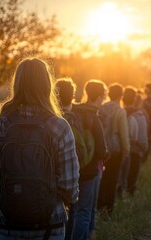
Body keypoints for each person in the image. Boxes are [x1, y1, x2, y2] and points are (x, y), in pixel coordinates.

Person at [0, 57, 79, 240]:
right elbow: (70, 187)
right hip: (50, 226)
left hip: (8, 225)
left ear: (16, 84)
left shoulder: (0, 125)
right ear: (47, 85)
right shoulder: (60, 126)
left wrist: (13, 199)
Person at [55, 79, 107, 240]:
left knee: (69, 211)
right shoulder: (92, 116)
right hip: (88, 172)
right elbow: (101, 150)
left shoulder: (56, 119)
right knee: (84, 211)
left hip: (65, 172)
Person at [98, 83, 130, 213]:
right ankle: (108, 210)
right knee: (112, 181)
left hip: (101, 150)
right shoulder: (120, 111)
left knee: (102, 180)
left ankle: (98, 207)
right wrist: (125, 151)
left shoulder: (101, 108)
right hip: (115, 151)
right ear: (121, 96)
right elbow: (124, 134)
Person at [123, 87, 149, 195]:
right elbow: (143, 139)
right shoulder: (140, 116)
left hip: (122, 153)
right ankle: (130, 193)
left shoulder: (119, 113)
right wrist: (143, 148)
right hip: (135, 151)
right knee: (132, 177)